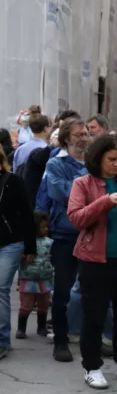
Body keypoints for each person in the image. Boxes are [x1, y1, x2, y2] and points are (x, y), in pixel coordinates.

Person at [67, 135, 117, 389]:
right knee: (95, 316)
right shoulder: (83, 183)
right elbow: (76, 218)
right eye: (111, 159)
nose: (116, 164)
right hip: (94, 260)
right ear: (98, 158)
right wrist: (105, 201)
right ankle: (92, 367)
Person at [45, 118, 92, 362]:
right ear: (65, 139)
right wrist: (87, 186)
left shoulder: (95, 163)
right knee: (63, 292)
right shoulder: (56, 163)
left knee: (92, 292)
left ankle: (91, 340)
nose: (83, 139)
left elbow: (99, 192)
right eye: (77, 135)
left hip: (91, 234)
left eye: (85, 134)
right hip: (65, 235)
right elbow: (59, 193)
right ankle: (61, 341)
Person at [0, 149, 38, 359]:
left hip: (10, 242)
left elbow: (26, 214)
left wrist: (30, 247)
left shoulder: (13, 181)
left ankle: (2, 340)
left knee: (0, 289)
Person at [17, 212, 53, 340]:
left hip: (45, 279)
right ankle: (21, 328)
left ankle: (41, 327)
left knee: (43, 304)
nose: (46, 229)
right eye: (43, 227)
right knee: (26, 305)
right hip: (28, 279)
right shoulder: (24, 243)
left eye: (47, 227)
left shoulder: (50, 242)